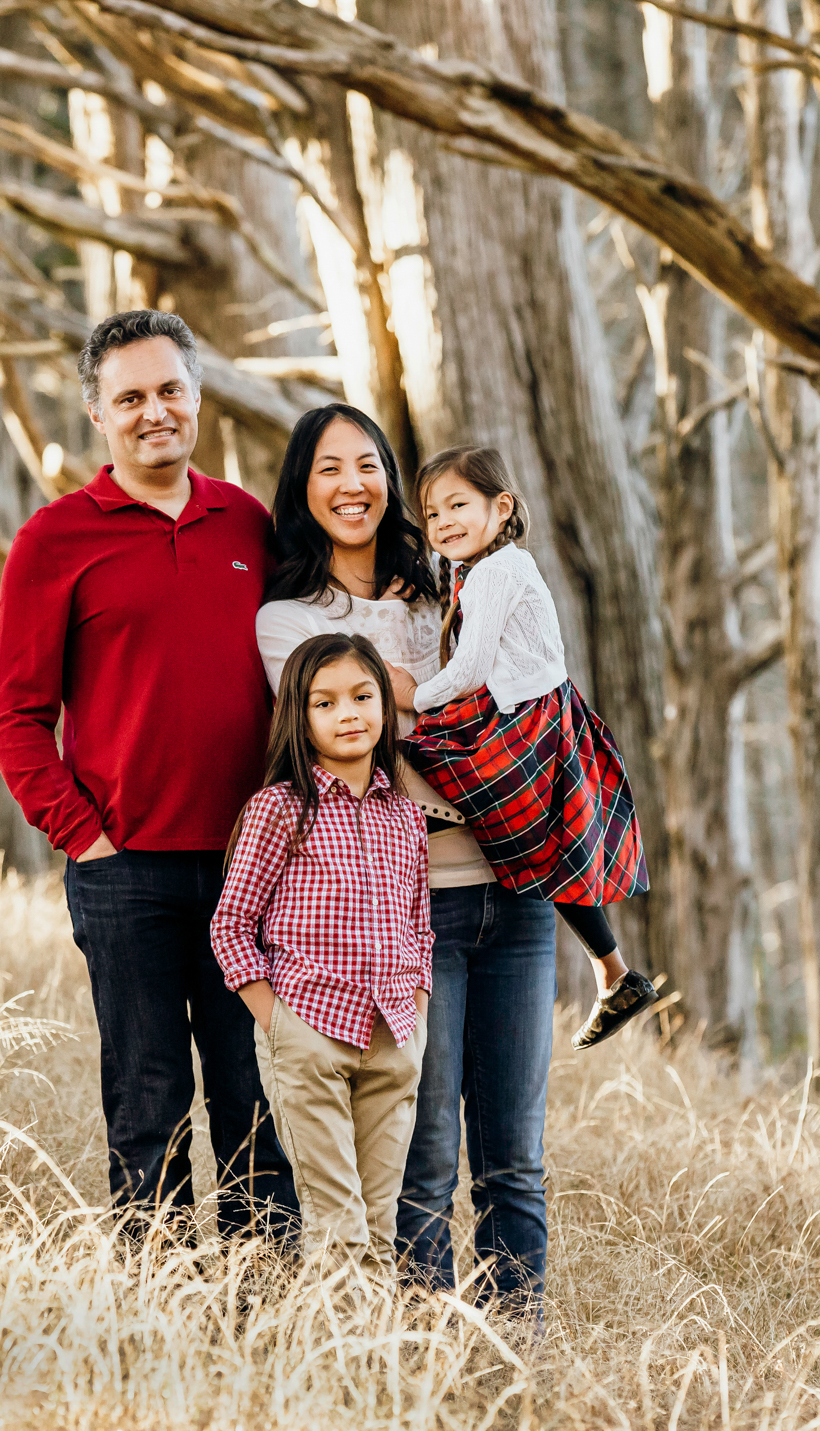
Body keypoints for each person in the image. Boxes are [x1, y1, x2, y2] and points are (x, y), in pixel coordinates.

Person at [0, 309, 297, 1246]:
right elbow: (17, 717)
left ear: (196, 397)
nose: (154, 412)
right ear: (97, 414)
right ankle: (157, 1311)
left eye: (170, 391)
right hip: (126, 874)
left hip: (255, 870)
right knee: (150, 1097)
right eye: (131, 398)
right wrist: (85, 836)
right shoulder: (55, 541)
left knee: (253, 1101)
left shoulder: (247, 522)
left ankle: (268, 1310)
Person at [252, 403, 554, 1315]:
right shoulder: (285, 620)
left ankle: (512, 1363)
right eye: (330, 469)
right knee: (425, 1157)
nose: (354, 485)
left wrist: (448, 696)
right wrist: (448, 695)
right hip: (415, 906)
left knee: (517, 1158)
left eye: (370, 465)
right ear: (303, 492)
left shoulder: (454, 589)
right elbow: (370, 738)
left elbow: (525, 695)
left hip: (517, 884)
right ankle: (421, 1359)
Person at [399, 445, 659, 1051]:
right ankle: (613, 972)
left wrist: (415, 695)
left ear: (502, 506)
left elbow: (469, 666)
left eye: (458, 505)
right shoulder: (478, 570)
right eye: (433, 515)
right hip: (533, 709)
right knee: (550, 845)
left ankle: (606, 969)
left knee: (436, 763)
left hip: (525, 717)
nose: (444, 524)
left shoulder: (498, 571)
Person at [212, 633, 432, 1274]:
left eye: (363, 697)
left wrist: (416, 1011)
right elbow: (231, 927)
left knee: (381, 1229)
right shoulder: (280, 809)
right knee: (338, 1229)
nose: (349, 714)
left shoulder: (406, 817)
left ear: (384, 707)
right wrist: (283, 1027)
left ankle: (373, 1370)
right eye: (325, 703)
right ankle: (328, 1371)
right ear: (300, 718)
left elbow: (419, 926)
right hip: (310, 1033)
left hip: (393, 1036)